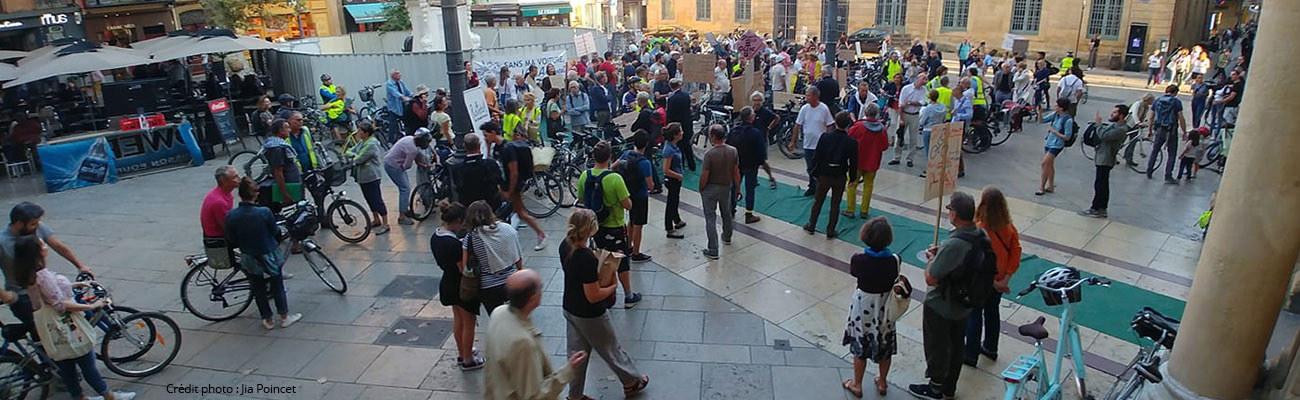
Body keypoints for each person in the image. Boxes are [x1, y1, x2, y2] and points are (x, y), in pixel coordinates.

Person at [12, 236, 135, 400]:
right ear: (36, 252)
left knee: (67, 366)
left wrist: (73, 285)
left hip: (47, 325)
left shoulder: (29, 274)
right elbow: (60, 304)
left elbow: (48, 294)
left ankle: (78, 397)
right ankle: (108, 395)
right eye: (42, 245)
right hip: (63, 324)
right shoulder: (42, 276)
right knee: (86, 361)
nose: (46, 247)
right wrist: (91, 306)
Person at [559, 209, 651, 399]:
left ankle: (575, 395)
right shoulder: (585, 257)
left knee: (577, 356)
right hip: (590, 314)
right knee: (611, 348)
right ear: (592, 229)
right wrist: (613, 286)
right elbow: (593, 295)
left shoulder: (565, 246)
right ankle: (632, 381)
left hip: (570, 307)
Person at [908, 191, 984, 400]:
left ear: (955, 215)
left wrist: (933, 259)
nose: (948, 212)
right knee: (957, 344)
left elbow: (931, 278)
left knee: (938, 346)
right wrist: (941, 252)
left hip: (942, 304)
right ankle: (949, 387)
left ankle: (935, 387)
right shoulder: (979, 235)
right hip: (965, 303)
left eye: (950, 209)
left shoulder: (954, 244)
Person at [483, 269, 586, 400]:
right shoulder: (522, 342)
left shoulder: (499, 312)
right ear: (533, 297)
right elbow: (535, 396)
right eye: (540, 287)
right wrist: (568, 370)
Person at [226, 178, 304, 330]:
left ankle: (267, 319)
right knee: (277, 284)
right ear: (255, 194)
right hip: (268, 253)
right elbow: (275, 232)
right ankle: (284, 316)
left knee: (258, 287)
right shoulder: (264, 212)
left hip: (249, 255)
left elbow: (231, 238)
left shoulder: (232, 216)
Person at [840, 216, 902, 398]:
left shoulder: (859, 260)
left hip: (863, 309)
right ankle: (882, 381)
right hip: (885, 309)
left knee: (860, 348)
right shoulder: (895, 260)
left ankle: (857, 384)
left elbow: (854, 273)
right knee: (885, 346)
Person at [576, 141, 642, 307]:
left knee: (601, 258)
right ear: (610, 157)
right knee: (621, 260)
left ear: (593, 156)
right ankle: (628, 295)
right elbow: (628, 205)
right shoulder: (615, 179)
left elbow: (582, 200)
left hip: (594, 227)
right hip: (615, 227)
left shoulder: (585, 175)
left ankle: (606, 292)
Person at [964, 187, 1021, 367]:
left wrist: (992, 282)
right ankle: (990, 347)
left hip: (982, 281)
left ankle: (970, 354)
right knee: (992, 311)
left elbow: (975, 260)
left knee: (974, 314)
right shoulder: (1009, 228)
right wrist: (1005, 279)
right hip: (1001, 278)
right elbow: (1016, 252)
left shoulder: (979, 229)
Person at [430, 201, 484, 370]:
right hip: (461, 286)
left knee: (458, 320)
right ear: (459, 220)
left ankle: (463, 352)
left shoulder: (436, 236)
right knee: (468, 322)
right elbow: (463, 269)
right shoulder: (453, 244)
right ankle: (468, 359)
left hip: (448, 282)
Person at [803, 112, 858, 239]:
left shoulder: (825, 137)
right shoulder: (851, 142)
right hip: (840, 176)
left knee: (818, 201)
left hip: (824, 175)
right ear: (848, 124)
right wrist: (853, 177)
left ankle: (811, 225)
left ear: (835, 122)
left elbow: (817, 156)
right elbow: (854, 162)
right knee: (835, 204)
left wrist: (814, 173)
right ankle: (830, 230)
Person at [462, 200, 523, 313]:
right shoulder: (508, 229)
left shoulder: (471, 238)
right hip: (512, 280)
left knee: (497, 319)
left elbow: (466, 266)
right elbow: (518, 259)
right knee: (515, 319)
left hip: (489, 287)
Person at [1079, 105, 1133, 219]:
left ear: (1121, 115)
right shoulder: (1115, 125)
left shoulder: (1121, 129)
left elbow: (1104, 135)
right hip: (1101, 156)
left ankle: (1097, 208)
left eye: (1114, 113)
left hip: (1106, 159)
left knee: (1101, 185)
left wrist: (1098, 124)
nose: (1112, 114)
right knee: (1100, 183)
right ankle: (1100, 207)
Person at [612, 131, 655, 262]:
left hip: (628, 193)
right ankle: (636, 252)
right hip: (640, 196)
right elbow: (650, 185)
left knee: (631, 220)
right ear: (646, 144)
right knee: (639, 224)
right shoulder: (645, 163)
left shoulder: (626, 154)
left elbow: (613, 167)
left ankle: (628, 246)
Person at [699, 125, 740, 260]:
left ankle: (713, 249)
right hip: (726, 187)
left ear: (714, 137)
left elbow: (705, 174)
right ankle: (727, 236)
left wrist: (701, 187)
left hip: (711, 188)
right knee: (726, 213)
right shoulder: (733, 151)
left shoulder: (709, 154)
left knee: (710, 218)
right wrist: (738, 188)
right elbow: (736, 172)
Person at [844, 104, 890, 219]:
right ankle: (864, 210)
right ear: (877, 113)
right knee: (868, 186)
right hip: (873, 162)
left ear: (865, 112)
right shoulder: (882, 129)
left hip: (857, 161)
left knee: (851, 184)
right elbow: (885, 147)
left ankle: (850, 209)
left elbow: (848, 139)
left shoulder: (858, 126)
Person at [346, 121, 390, 235]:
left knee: (376, 199)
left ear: (366, 133)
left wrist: (354, 156)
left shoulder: (371, 144)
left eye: (360, 130)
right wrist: (353, 155)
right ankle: (376, 219)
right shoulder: (362, 142)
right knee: (369, 199)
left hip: (371, 176)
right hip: (363, 177)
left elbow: (358, 159)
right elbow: (349, 151)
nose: (358, 132)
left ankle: (385, 224)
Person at [791, 86, 835, 197]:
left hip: (820, 145)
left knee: (820, 168)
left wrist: (828, 139)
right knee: (810, 167)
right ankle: (812, 186)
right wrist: (793, 140)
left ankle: (820, 187)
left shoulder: (824, 109)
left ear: (815, 96)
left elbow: (830, 125)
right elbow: (797, 125)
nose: (806, 98)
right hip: (808, 144)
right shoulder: (804, 109)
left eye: (808, 95)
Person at [384, 130, 434, 225]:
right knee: (405, 189)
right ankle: (402, 217)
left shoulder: (409, 138)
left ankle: (405, 209)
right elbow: (407, 166)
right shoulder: (412, 150)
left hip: (389, 161)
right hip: (394, 166)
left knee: (405, 187)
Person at [728, 107, 766, 224]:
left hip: (737, 164)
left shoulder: (734, 131)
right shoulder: (755, 133)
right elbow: (761, 152)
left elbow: (728, 146)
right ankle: (749, 214)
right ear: (751, 118)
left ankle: (731, 209)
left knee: (734, 186)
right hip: (751, 165)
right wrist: (761, 162)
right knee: (750, 189)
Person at [1147, 84, 1188, 184]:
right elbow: (1181, 117)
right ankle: (1168, 175)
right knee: (1172, 153)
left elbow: (1151, 116)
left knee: (1155, 151)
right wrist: (1184, 131)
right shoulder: (1176, 102)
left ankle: (1149, 171)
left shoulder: (1157, 100)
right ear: (1175, 93)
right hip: (1171, 130)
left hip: (1159, 129)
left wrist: (1150, 130)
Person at [261, 119, 303, 214]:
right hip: (289, 187)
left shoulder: (281, 145)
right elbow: (278, 173)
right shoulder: (277, 149)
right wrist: (285, 194)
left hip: (293, 185)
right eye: (287, 127)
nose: (289, 130)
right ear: (281, 131)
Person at [451, 133, 504, 209]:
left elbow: (458, 187)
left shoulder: (457, 168)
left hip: (469, 207)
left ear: (464, 146)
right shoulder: (490, 164)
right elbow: (500, 181)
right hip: (491, 205)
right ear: (479, 146)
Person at [1038, 99, 1074, 196]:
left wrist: (1055, 132)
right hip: (1049, 142)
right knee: (1049, 164)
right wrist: (1040, 113)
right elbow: (1041, 121)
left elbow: (1067, 137)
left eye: (1057, 105)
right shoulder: (1055, 115)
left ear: (1061, 108)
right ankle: (1050, 186)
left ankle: (1042, 187)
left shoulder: (1068, 120)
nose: (1055, 106)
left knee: (1044, 163)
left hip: (1057, 144)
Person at [892, 71, 927, 167]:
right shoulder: (906, 89)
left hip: (915, 115)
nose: (925, 81)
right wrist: (901, 119)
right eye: (923, 79)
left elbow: (922, 102)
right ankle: (896, 157)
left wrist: (908, 103)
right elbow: (901, 105)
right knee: (899, 136)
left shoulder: (924, 90)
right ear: (917, 79)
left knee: (913, 138)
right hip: (905, 114)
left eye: (926, 79)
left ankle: (910, 159)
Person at [661, 123, 686, 239]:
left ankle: (677, 219)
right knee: (671, 202)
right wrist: (678, 175)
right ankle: (669, 228)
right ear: (675, 135)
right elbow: (666, 169)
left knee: (675, 200)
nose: (682, 132)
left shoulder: (674, 146)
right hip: (673, 180)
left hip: (676, 178)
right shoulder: (669, 150)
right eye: (680, 131)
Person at [665, 79, 696, 171]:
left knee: (679, 147)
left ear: (671, 87)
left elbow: (670, 114)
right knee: (687, 145)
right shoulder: (686, 96)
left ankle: (681, 166)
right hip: (687, 123)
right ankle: (692, 165)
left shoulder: (671, 98)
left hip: (677, 126)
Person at [202, 166, 240, 240]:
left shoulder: (224, 193)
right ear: (224, 181)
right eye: (235, 177)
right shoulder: (219, 202)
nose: (239, 178)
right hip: (218, 238)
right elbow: (226, 226)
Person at [917, 90, 947, 178]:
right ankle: (938, 168)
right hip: (939, 129)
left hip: (928, 130)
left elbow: (922, 121)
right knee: (937, 150)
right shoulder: (943, 107)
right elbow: (944, 119)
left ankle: (929, 170)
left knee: (928, 151)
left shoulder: (929, 108)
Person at [386, 69, 413, 140]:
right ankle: (390, 142)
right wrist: (403, 97)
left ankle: (408, 138)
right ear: (393, 75)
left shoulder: (401, 82)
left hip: (402, 107)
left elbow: (407, 91)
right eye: (397, 73)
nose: (400, 75)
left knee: (408, 122)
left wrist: (413, 95)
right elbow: (395, 93)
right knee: (393, 126)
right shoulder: (389, 84)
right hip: (394, 108)